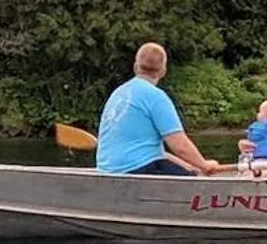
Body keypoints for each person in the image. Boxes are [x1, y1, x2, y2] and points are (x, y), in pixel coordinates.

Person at [95, 42, 224, 176]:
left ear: (135, 67)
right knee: (192, 178)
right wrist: (204, 165)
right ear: (163, 71)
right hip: (138, 168)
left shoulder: (118, 93)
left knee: (190, 171)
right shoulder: (156, 97)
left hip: (108, 169)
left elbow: (155, 153)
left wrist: (192, 166)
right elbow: (179, 145)